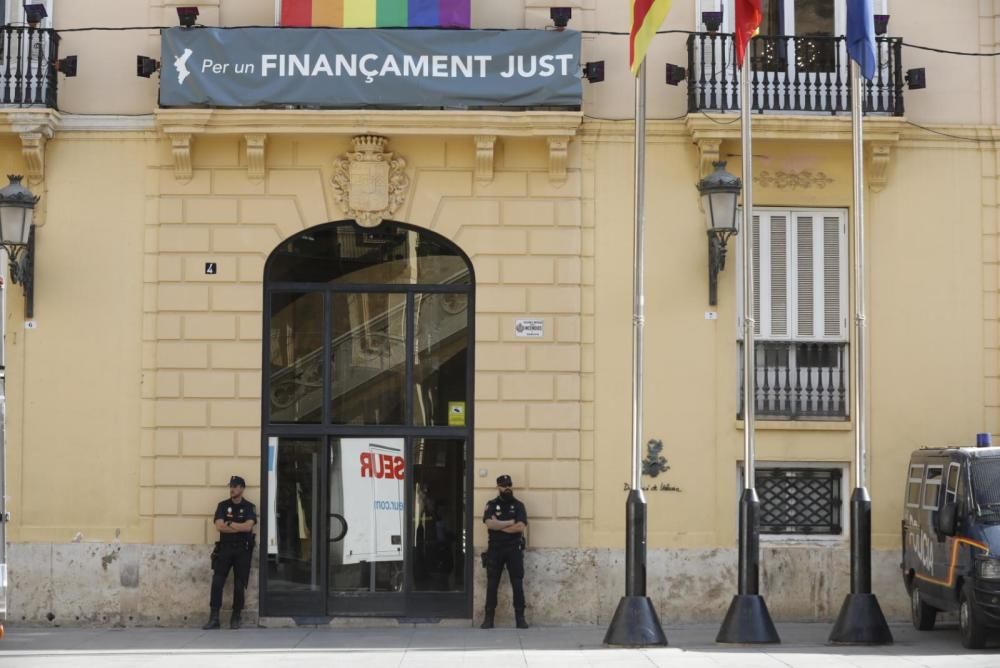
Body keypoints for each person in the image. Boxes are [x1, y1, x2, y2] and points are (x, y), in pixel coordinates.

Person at [202, 476, 257, 630]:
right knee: (217, 582)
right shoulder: (222, 506)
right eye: (231, 486)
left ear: (242, 488)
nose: (232, 489)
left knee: (239, 585)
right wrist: (237, 526)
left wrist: (230, 523)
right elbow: (219, 526)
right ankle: (214, 618)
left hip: (242, 550)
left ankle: (236, 616)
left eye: (235, 486)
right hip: (225, 548)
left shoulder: (249, 507)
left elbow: (248, 527)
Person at [481, 474, 529, 629]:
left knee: (517, 583)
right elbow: (489, 524)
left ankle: (520, 618)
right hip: (495, 549)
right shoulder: (491, 504)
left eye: (509, 484)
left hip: (514, 549)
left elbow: (521, 527)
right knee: (492, 584)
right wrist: (509, 523)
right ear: (498, 487)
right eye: (503, 485)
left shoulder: (519, 505)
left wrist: (499, 525)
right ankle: (489, 618)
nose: (507, 487)